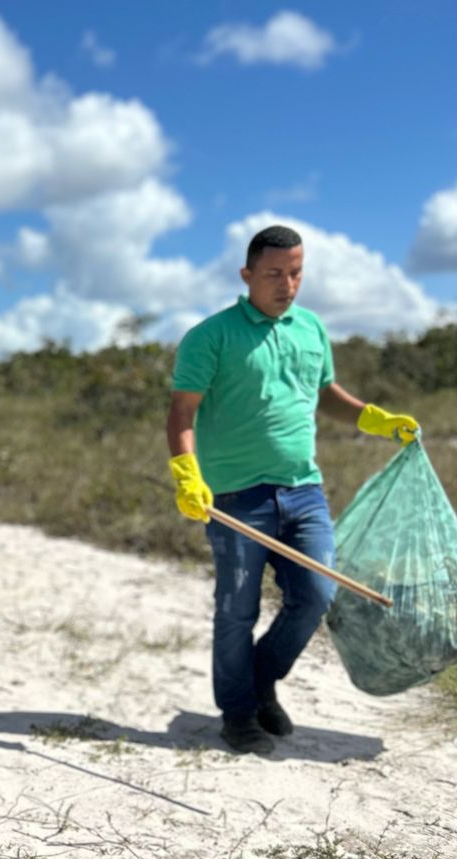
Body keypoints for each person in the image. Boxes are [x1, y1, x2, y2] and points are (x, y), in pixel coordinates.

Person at [168, 224, 420, 755]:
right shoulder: (210, 336)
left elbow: (323, 393)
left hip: (304, 491)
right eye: (274, 274)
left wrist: (373, 419)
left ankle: (259, 681)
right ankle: (238, 715)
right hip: (235, 497)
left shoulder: (311, 328)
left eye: (296, 273)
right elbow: (182, 411)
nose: (287, 284)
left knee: (316, 595)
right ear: (247, 275)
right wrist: (187, 474)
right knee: (236, 611)